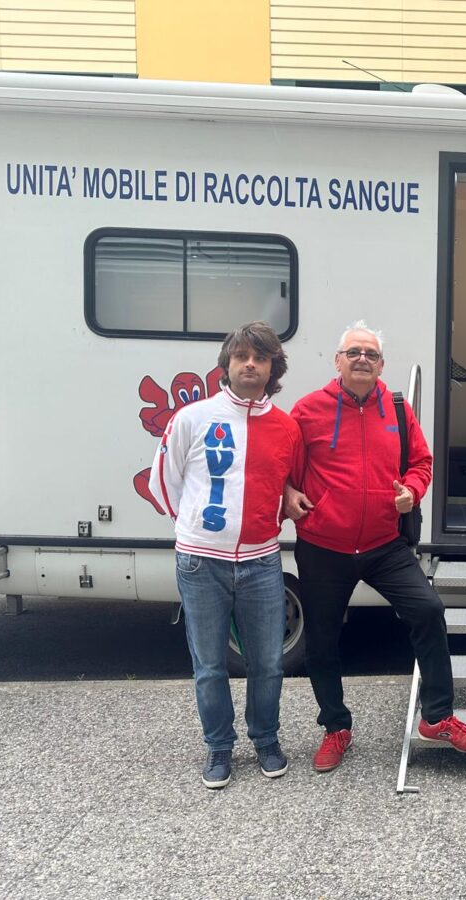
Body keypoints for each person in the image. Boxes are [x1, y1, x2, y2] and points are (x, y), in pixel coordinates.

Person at [283, 321, 466, 772]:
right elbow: (284, 467)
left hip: (383, 544)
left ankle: (437, 717)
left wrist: (411, 491)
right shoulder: (308, 410)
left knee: (428, 610)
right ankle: (336, 727)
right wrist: (287, 493)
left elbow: (422, 462)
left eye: (370, 354)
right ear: (337, 361)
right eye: (354, 352)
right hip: (324, 546)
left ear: (381, 365)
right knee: (322, 640)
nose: (362, 359)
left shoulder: (397, 409)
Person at [149, 322, 302, 789]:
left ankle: (266, 739)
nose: (250, 364)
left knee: (268, 662)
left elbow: (287, 483)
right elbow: (164, 482)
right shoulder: (192, 418)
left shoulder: (287, 428)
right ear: (227, 364)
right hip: (200, 562)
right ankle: (218, 746)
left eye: (260, 358)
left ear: (273, 368)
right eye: (241, 357)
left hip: (262, 560)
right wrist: (192, 529)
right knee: (210, 664)